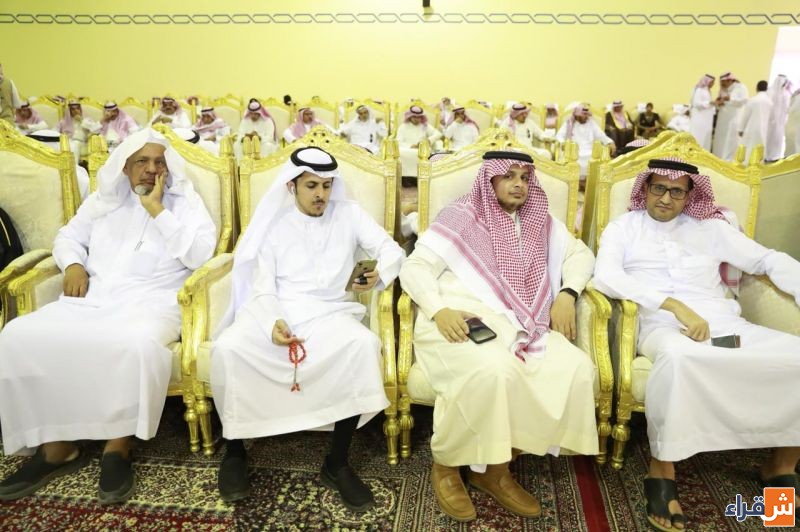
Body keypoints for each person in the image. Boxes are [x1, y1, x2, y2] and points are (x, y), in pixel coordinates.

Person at [0, 128, 216, 504]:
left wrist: (157, 210)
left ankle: (119, 446)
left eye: (159, 162)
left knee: (133, 344)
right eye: (142, 161)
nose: (151, 169)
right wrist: (73, 265)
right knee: (18, 335)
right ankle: (56, 447)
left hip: (154, 302)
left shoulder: (185, 203)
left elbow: (200, 255)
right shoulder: (104, 201)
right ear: (125, 167)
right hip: (96, 297)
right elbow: (68, 237)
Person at [592, 156, 800, 531]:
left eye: (676, 191)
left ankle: (781, 465)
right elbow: (605, 276)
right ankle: (662, 469)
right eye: (659, 188)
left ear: (690, 195)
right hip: (660, 325)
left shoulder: (711, 229)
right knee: (679, 357)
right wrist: (673, 305)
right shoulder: (624, 228)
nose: (666, 198)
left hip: (724, 326)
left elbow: (765, 260)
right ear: (645, 188)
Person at [399, 151, 598, 522]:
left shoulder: (541, 220)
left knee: (576, 367)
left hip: (522, 323)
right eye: (508, 176)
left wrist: (568, 293)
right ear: (489, 180)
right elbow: (415, 267)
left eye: (524, 177)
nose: (518, 184)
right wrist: (438, 309)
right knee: (494, 370)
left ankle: (496, 468)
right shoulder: (462, 216)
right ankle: (447, 465)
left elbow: (581, 256)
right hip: (457, 317)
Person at [211, 147, 404, 510]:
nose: (321, 195)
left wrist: (380, 273)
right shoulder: (273, 224)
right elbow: (262, 285)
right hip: (277, 310)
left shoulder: (349, 214)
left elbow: (392, 250)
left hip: (331, 312)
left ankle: (337, 463)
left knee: (362, 346)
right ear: (292, 185)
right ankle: (235, 451)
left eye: (327, 186)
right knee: (228, 348)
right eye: (312, 186)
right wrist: (273, 321)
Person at [555, 105, 615, 179]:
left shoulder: (591, 123)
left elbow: (601, 135)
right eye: (583, 115)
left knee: (596, 158)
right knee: (570, 158)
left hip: (589, 151)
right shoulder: (569, 123)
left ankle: (589, 181)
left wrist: (610, 142)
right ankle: (574, 180)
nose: (586, 117)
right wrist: (563, 143)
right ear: (577, 115)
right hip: (573, 150)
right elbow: (559, 135)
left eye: (586, 115)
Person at [711, 72, 749, 161]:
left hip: (734, 117)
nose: (722, 84)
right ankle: (717, 157)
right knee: (720, 137)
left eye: (723, 82)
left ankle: (729, 159)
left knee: (731, 138)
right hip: (723, 117)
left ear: (729, 80)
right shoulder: (723, 89)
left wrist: (730, 98)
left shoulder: (741, 87)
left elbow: (744, 100)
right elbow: (720, 100)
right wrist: (719, 103)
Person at [396, 105, 442, 178]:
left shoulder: (425, 126)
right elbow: (398, 141)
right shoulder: (403, 126)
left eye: (419, 117)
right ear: (410, 116)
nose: (416, 119)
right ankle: (405, 177)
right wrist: (410, 146)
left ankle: (421, 177)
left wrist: (428, 140)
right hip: (406, 149)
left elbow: (438, 134)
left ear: (421, 117)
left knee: (424, 153)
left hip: (421, 149)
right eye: (414, 117)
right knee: (401, 153)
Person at [737, 80, 773, 163]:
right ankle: (758, 163)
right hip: (764, 129)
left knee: (749, 146)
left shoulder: (753, 100)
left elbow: (745, 116)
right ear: (766, 89)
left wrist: (741, 129)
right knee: (760, 146)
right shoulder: (770, 102)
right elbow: (770, 118)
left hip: (751, 128)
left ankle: (746, 163)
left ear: (757, 88)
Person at [56, 100, 101, 164]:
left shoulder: (87, 120)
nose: (76, 111)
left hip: (82, 143)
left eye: (77, 108)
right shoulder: (64, 121)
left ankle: (74, 167)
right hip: (67, 142)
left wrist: (82, 120)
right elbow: (55, 130)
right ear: (69, 111)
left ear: (80, 109)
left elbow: (97, 130)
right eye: (73, 109)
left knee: (75, 144)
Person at [765, 74, 793, 161]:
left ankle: (775, 156)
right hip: (769, 121)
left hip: (780, 122)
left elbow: (788, 108)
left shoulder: (786, 94)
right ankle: (765, 155)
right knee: (768, 138)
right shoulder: (770, 92)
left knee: (777, 139)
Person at [689, 74, 716, 150]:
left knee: (705, 137)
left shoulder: (707, 91)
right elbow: (696, 103)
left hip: (706, 119)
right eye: (712, 82)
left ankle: (704, 153)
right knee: (698, 135)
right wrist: (710, 103)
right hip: (699, 118)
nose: (713, 84)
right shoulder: (699, 90)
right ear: (707, 81)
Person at [785, 88, 800, 157]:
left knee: (793, 143)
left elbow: (790, 110)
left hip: (794, 125)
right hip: (795, 124)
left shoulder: (797, 98)